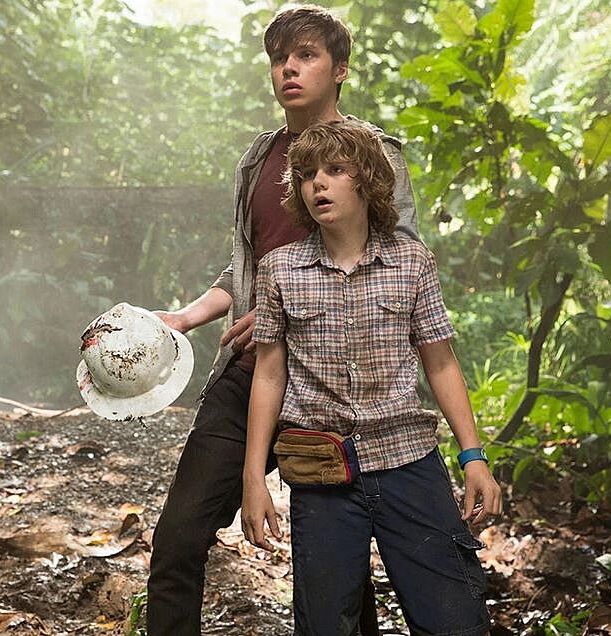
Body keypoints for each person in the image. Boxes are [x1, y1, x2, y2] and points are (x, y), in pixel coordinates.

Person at [147, 6, 419, 634]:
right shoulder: (258, 159)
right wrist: (186, 317)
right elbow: (246, 268)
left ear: (340, 69)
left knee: (338, 570)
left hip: (337, 386)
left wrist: (286, 316)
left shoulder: (376, 155)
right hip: (251, 374)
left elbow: (399, 267)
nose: (289, 69)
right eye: (279, 59)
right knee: (179, 537)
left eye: (306, 56)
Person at [240, 120, 502, 635]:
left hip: (408, 462)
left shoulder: (412, 262)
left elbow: (441, 362)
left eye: (335, 170)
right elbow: (269, 375)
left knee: (454, 619)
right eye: (307, 175)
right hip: (323, 473)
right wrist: (254, 478)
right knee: (325, 625)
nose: (318, 184)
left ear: (368, 182)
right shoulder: (279, 270)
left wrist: (473, 458)